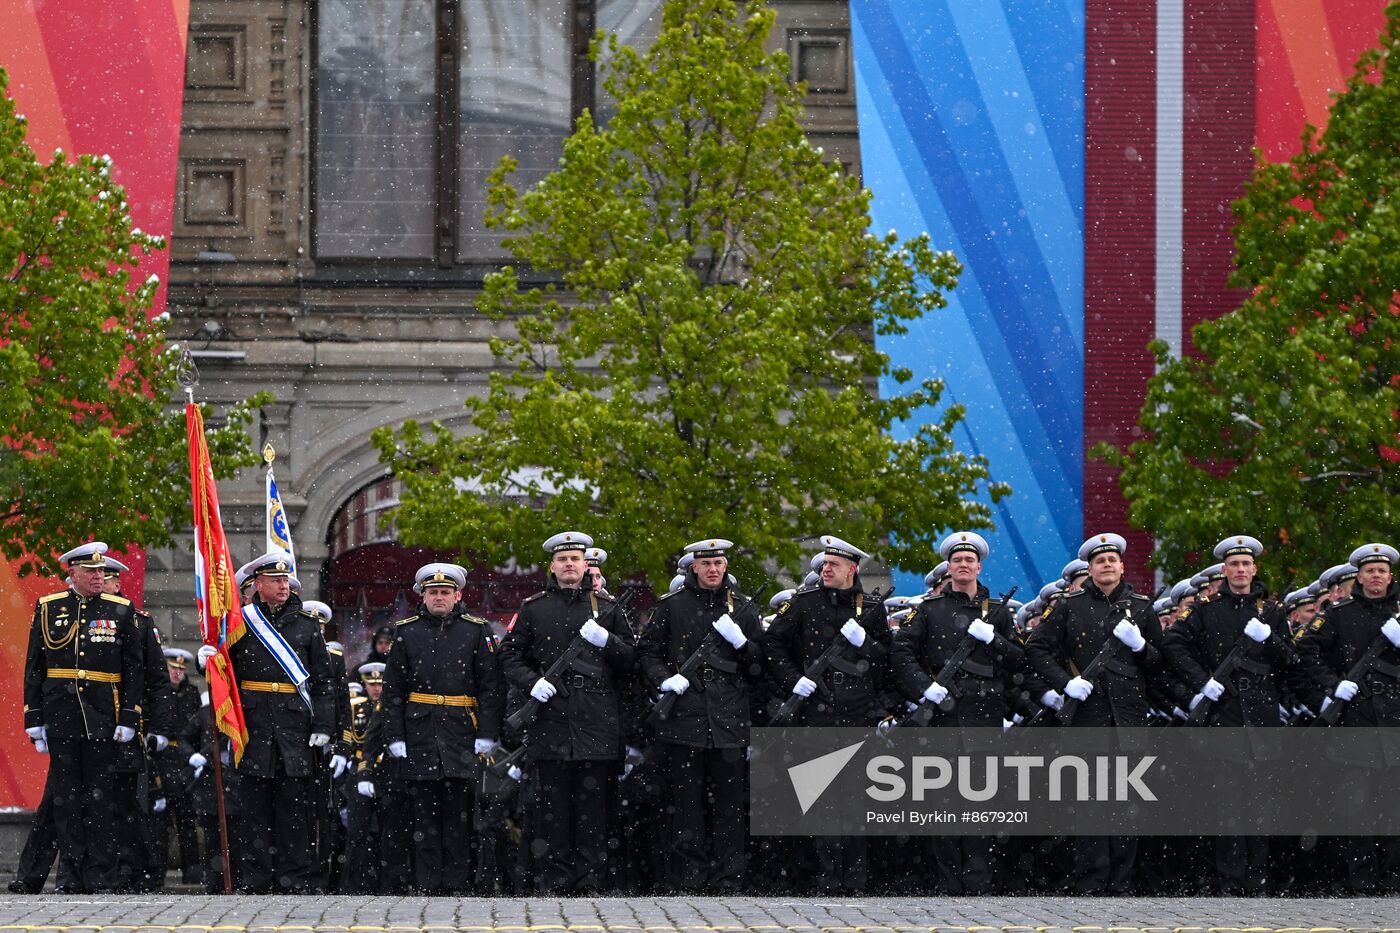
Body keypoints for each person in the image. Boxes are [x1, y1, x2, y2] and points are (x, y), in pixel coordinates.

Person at [1162, 535, 1302, 893]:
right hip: (1223, 714)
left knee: (1260, 806)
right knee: (1226, 804)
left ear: (1254, 569)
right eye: (1234, 565)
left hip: (1261, 717)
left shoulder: (1271, 611)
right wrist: (1201, 682)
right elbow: (1173, 645)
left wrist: (1269, 637)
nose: (1240, 570)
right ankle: (1228, 878)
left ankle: (1257, 878)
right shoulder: (1206, 609)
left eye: (1246, 565)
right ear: (1224, 570)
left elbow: (1291, 662)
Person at [1025, 532, 1164, 894]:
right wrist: (1064, 683)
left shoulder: (1142, 606)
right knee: (1090, 805)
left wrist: (1141, 645)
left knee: (1128, 805)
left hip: (1129, 718)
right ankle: (1091, 881)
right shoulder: (1070, 607)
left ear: (1122, 565)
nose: (1106, 565)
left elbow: (1160, 665)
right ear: (1089, 568)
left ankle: (1122, 881)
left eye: (1112, 559)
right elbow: (1037, 648)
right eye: (1099, 561)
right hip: (1088, 715)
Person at [500, 532, 635, 893]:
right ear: (552, 566)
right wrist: (532, 682)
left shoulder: (607, 608)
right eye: (563, 560)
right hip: (552, 719)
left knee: (594, 811)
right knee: (552, 811)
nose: (569, 565)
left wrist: (608, 641)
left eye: (575, 558)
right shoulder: (534, 607)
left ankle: (591, 881)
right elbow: (509, 655)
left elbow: (633, 661)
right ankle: (555, 881)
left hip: (596, 720)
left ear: (585, 563)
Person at [889, 531, 1024, 893]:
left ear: (979, 566)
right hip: (943, 715)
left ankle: (978, 880)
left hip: (983, 714)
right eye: (957, 560)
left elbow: (1019, 659)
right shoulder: (929, 610)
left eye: (969, 560)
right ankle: (947, 882)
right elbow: (901, 654)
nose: (963, 565)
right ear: (948, 568)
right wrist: (924, 687)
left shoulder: (996, 612)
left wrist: (992, 638)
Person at [762, 535, 891, 893]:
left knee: (855, 797)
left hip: (856, 711)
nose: (826, 569)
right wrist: (794, 680)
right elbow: (773, 643)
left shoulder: (872, 607)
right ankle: (828, 874)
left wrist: (864, 642)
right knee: (820, 797)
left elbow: (887, 659)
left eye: (833, 565)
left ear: (852, 569)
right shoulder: (804, 603)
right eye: (824, 564)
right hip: (815, 711)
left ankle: (857, 876)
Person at [637, 538, 765, 892]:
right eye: (706, 564)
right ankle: (689, 878)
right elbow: (647, 653)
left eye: (719, 563)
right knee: (686, 806)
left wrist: (741, 643)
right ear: (693, 566)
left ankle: (728, 879)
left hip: (728, 719)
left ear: (725, 567)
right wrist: (665, 679)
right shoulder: (672, 607)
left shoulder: (743, 609)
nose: (713, 569)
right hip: (684, 719)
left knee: (730, 808)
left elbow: (761, 666)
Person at [206, 553, 335, 893]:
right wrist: (207, 660)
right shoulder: (241, 623)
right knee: (254, 812)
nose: (283, 585)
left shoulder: (306, 624)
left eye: (285, 581)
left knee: (294, 812)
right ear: (257, 585)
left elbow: (323, 681)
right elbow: (223, 674)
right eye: (275, 581)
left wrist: (323, 725)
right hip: (254, 726)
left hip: (295, 729)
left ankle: (296, 879)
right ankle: (256, 879)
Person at [22, 542, 144, 893]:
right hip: (61, 715)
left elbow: (133, 670)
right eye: (90, 572)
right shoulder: (49, 608)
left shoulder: (121, 610)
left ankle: (100, 874)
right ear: (72, 572)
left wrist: (128, 718)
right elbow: (35, 667)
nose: (98, 577)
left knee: (101, 800)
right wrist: (34, 717)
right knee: (66, 801)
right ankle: (72, 875)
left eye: (101, 572)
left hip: (104, 715)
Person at [382, 562, 504, 893]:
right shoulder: (406, 631)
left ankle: (457, 882)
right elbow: (393, 690)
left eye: (445, 592)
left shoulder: (476, 630)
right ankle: (426, 881)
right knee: (422, 816)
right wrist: (394, 736)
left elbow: (490, 688)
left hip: (461, 733)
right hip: (419, 733)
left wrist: (487, 735)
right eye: (433, 592)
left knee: (460, 816)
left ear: (458, 595)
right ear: (422, 596)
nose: (439, 597)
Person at [1295, 542, 1400, 893]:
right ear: (1359, 576)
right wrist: (1332, 684)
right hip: (1356, 722)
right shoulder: (1340, 613)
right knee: (1356, 809)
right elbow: (1306, 649)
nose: (1376, 577)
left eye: (1381, 571)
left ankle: (1392, 878)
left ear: (1390, 576)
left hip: (1394, 722)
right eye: (1369, 571)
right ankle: (1362, 881)